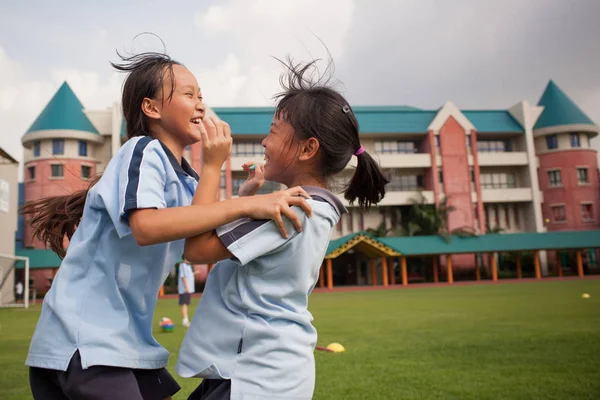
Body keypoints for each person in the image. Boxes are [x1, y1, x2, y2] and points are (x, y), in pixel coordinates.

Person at [21, 51, 312, 400]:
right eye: (189, 94)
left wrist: (233, 190)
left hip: (123, 342)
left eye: (201, 95)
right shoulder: (143, 151)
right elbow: (146, 227)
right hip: (84, 338)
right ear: (152, 108)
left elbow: (197, 245)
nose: (201, 104)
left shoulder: (187, 180)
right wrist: (246, 201)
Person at [176, 57, 389, 400]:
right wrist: (245, 197)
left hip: (254, 377)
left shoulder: (292, 209)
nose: (264, 142)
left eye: (273, 132)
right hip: (264, 372)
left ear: (308, 149)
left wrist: (212, 165)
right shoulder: (312, 207)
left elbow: (196, 249)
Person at [179, 257, 195, 327]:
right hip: (185, 290)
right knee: (184, 304)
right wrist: (186, 287)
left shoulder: (188, 266)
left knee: (186, 304)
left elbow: (188, 276)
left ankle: (186, 320)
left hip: (188, 289)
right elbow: (183, 277)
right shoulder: (183, 265)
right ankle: (185, 321)